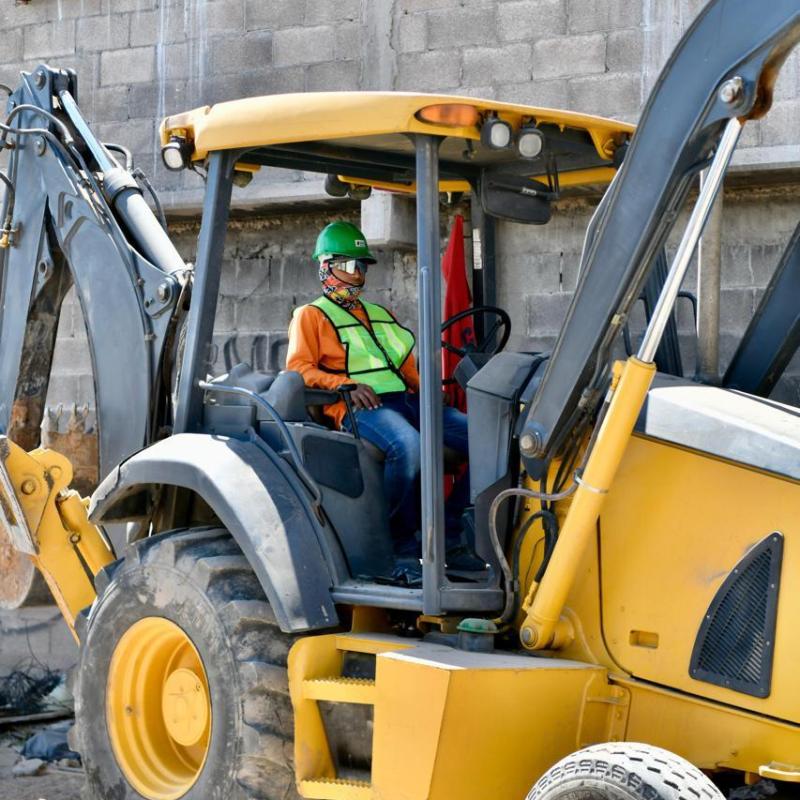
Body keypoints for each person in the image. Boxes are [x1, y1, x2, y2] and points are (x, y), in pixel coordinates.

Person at [286, 221, 483, 576]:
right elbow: (299, 368)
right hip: (359, 406)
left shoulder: (381, 314)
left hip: (406, 400)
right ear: (326, 267)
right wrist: (344, 384)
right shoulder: (310, 316)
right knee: (408, 446)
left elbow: (405, 367)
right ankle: (400, 548)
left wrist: (430, 392)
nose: (357, 274)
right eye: (349, 265)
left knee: (486, 439)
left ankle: (451, 536)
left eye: (362, 266)